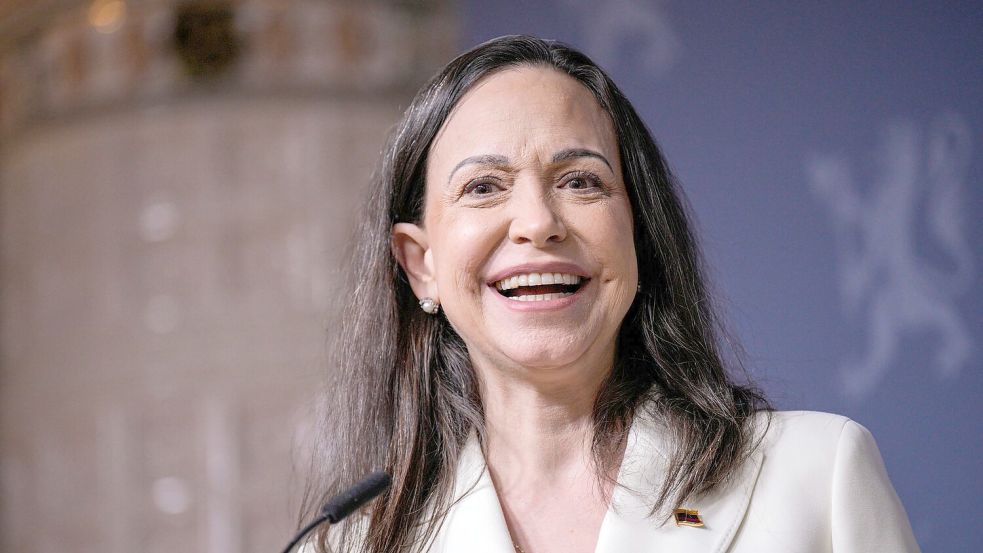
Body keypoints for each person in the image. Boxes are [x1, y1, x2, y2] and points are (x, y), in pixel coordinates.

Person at [300, 35, 920, 553]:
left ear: (637, 235)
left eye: (580, 180)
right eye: (484, 187)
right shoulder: (350, 544)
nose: (538, 221)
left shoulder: (816, 476)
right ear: (421, 265)